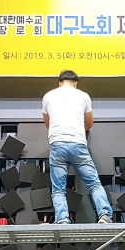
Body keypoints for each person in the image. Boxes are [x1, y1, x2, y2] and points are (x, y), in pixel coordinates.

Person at [42, 70, 113, 225]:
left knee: (58, 189)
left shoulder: (48, 96)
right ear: (75, 83)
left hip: (57, 144)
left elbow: (48, 123)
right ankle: (105, 216)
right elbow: (89, 123)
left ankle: (62, 219)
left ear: (59, 82)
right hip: (78, 144)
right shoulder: (83, 96)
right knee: (94, 184)